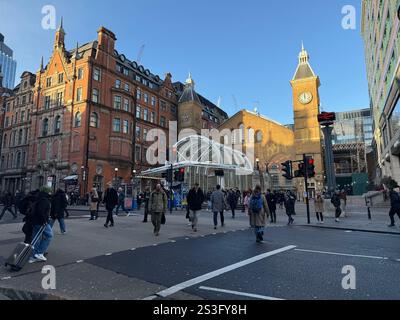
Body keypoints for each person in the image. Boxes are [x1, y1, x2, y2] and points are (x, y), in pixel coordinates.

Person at [29, 187, 53, 263]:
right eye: (50, 191)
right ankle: (39, 253)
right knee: (49, 236)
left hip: (35, 221)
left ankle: (33, 256)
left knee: (36, 239)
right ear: (48, 192)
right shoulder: (44, 200)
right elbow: (41, 211)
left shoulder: (39, 197)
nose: (51, 192)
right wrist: (44, 221)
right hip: (41, 222)